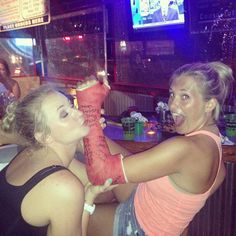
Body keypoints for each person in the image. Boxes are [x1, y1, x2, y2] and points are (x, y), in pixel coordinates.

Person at [75, 62, 234, 236]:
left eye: (185, 97)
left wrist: (89, 108)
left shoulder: (184, 149)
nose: (172, 105)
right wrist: (92, 131)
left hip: (138, 227)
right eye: (172, 94)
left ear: (210, 104)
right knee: (80, 138)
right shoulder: (217, 154)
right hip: (144, 198)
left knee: (71, 215)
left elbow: (101, 173)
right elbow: (182, 214)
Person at [0, 85, 115, 236]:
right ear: (44, 136)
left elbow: (102, 181)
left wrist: (93, 136)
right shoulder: (63, 186)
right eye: (64, 114)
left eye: (71, 104)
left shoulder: (35, 152)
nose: (79, 113)